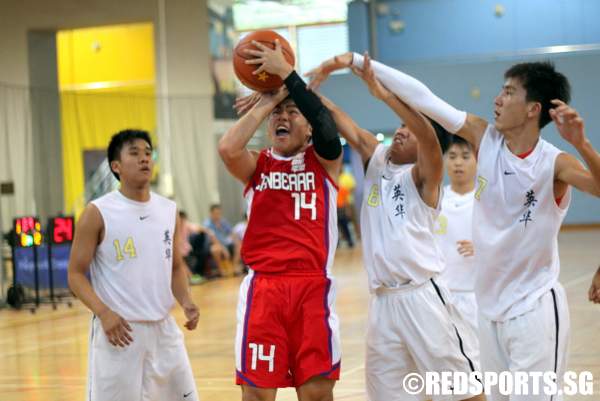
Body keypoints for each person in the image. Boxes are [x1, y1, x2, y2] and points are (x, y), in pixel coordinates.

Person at [308, 52, 600, 399]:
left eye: (508, 92)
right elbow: (425, 99)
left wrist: (581, 143)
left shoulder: (554, 163)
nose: (497, 99)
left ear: (532, 108)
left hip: (534, 308)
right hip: (488, 312)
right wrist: (356, 62)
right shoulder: (484, 137)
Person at [317, 54, 483, 401]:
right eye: (399, 130)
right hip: (381, 302)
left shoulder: (426, 176)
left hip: (422, 297)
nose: (400, 134)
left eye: (407, 133)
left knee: (461, 392)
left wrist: (387, 97)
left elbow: (427, 135)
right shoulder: (375, 159)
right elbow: (334, 116)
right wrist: (295, 84)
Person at [218, 39, 343, 401]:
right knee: (257, 395)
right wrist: (268, 101)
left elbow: (326, 126)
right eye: (278, 115)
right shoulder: (257, 165)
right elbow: (227, 148)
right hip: (265, 291)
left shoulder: (326, 161)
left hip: (311, 288)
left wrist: (287, 76)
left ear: (308, 130)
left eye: (293, 112)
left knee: (316, 394)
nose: (283, 118)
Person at [67, 129, 200, 401]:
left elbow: (174, 266)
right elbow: (75, 274)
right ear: (116, 166)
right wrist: (103, 313)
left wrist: (186, 300)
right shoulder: (97, 212)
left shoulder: (168, 210)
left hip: (164, 331)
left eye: (148, 153)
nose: (144, 159)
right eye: (135, 153)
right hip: (120, 331)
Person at [435, 136, 479, 334]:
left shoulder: (486, 201)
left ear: (477, 160)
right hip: (441, 294)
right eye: (452, 156)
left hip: (477, 295)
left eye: (465, 156)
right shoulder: (434, 200)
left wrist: (484, 248)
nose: (458, 162)